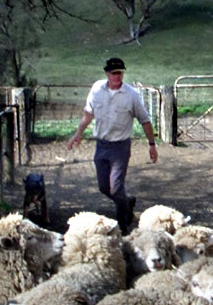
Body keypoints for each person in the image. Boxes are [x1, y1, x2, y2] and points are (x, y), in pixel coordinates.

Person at [65, 56, 158, 229]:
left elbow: (145, 120)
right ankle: (127, 203)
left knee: (115, 187)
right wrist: (78, 133)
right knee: (103, 187)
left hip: (120, 147)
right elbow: (88, 113)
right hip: (101, 144)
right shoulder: (96, 89)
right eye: (114, 73)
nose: (118, 76)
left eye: (120, 73)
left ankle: (123, 224)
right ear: (107, 73)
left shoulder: (131, 95)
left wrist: (152, 145)